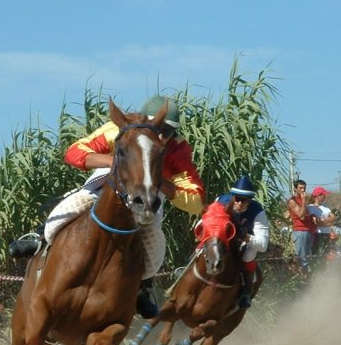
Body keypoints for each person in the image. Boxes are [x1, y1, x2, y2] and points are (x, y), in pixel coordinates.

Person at [22, 95, 205, 319]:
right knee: (78, 199)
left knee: (153, 237)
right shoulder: (118, 128)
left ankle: (144, 287)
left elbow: (197, 200)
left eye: (166, 131)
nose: (160, 135)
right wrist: (115, 161)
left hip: (148, 194)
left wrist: (159, 181)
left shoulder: (178, 150)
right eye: (156, 127)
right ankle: (39, 236)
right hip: (110, 182)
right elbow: (74, 153)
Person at [217, 176, 270, 309]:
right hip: (222, 238)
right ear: (232, 196)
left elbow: (263, 245)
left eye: (245, 201)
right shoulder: (220, 202)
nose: (239, 204)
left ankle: (245, 293)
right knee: (205, 245)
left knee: (249, 254)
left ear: (250, 200)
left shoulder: (257, 211)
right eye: (237, 199)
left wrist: (247, 237)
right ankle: (183, 273)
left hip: (243, 243)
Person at [286, 179, 315, 276]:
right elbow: (301, 216)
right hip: (300, 230)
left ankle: (307, 276)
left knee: (307, 256)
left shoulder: (305, 200)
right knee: (302, 258)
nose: (303, 190)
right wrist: (303, 201)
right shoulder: (292, 201)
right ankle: (302, 278)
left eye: (304, 188)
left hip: (309, 230)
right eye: (301, 188)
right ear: (295, 189)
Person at [307, 186, 338, 256]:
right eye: (323, 195)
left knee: (326, 253)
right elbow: (316, 223)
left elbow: (333, 217)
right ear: (318, 196)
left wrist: (324, 220)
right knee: (317, 253)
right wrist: (328, 223)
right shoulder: (311, 207)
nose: (325, 197)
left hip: (326, 233)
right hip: (317, 234)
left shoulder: (325, 206)